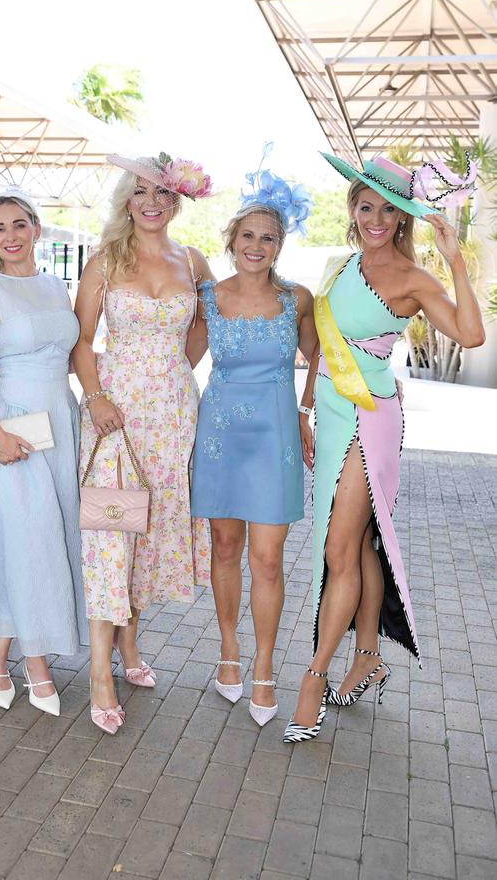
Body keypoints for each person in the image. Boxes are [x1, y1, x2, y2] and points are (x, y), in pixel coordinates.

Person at [285, 153, 485, 743]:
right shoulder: (340, 264)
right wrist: (304, 409)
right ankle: (367, 654)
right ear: (352, 209)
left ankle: (313, 676)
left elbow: (471, 334)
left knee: (339, 548)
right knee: (357, 542)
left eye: (389, 209)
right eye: (366, 205)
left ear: (403, 218)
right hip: (330, 411)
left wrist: (453, 262)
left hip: (371, 421)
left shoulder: (413, 278)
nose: (376, 217)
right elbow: (322, 346)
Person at [72, 151, 213, 733]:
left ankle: (131, 651)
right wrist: (98, 395)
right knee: (112, 535)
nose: (152, 204)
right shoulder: (106, 259)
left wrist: (176, 375)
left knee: (149, 537)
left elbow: (205, 326)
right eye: (141, 193)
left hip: (174, 417)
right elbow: (81, 341)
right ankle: (100, 675)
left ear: (176, 201)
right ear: (126, 199)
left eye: (162, 194)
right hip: (115, 419)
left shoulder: (193, 259)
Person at [190, 163, 317, 725]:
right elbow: (180, 362)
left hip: (274, 437)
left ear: (279, 245)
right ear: (232, 241)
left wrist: (307, 413)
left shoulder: (298, 299)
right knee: (224, 548)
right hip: (218, 434)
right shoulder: (207, 299)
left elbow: (319, 360)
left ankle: (264, 666)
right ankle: (228, 652)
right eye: (248, 237)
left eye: (268, 238)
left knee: (267, 560)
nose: (257, 246)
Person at [0, 189, 87, 717]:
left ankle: (0, 651)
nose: (10, 236)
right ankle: (36, 662)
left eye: (19, 224)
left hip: (61, 421)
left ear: (36, 228)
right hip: (11, 429)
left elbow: (71, 356)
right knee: (29, 541)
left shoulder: (57, 287)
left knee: (45, 540)